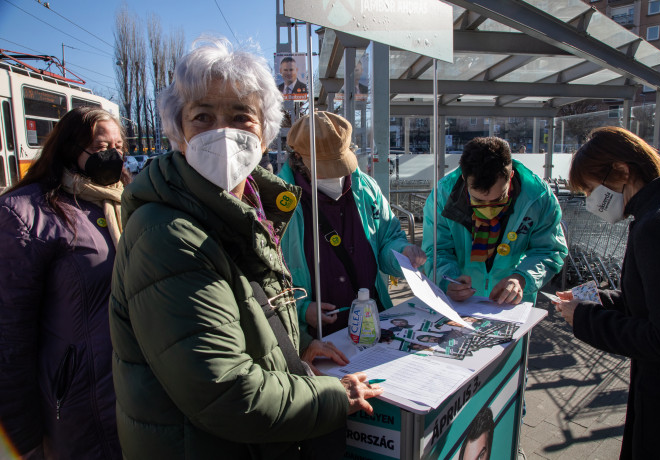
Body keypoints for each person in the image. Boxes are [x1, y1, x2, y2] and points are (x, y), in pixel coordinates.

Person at [109, 37, 382, 459]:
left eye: (241, 116)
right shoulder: (168, 235)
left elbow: (246, 311)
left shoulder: (246, 207)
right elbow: (225, 392)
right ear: (178, 131)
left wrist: (298, 343)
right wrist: (335, 395)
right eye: (202, 116)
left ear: (265, 130)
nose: (223, 131)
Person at [554, 126, 660, 459]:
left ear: (622, 171)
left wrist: (586, 319)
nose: (589, 200)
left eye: (590, 189)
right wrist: (597, 300)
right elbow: (656, 304)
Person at [0, 106, 127, 459]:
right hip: (76, 406)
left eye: (119, 147)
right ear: (71, 148)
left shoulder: (126, 203)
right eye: (102, 147)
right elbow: (9, 336)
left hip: (132, 395)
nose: (113, 156)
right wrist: (23, 440)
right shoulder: (25, 214)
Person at [279, 111, 426, 338]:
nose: (335, 177)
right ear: (299, 159)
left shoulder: (366, 187)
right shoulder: (279, 201)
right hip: (315, 335)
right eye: (325, 168)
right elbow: (265, 276)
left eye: (339, 165)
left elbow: (388, 238)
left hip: (372, 321)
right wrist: (299, 309)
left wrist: (402, 252)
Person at [422, 136, 567, 305]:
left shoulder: (539, 198)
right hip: (459, 303)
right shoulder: (442, 197)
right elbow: (436, 250)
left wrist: (522, 278)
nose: (489, 210)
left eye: (499, 198)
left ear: (511, 175)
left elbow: (549, 250)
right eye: (479, 201)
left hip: (512, 303)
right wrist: (449, 280)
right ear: (464, 179)